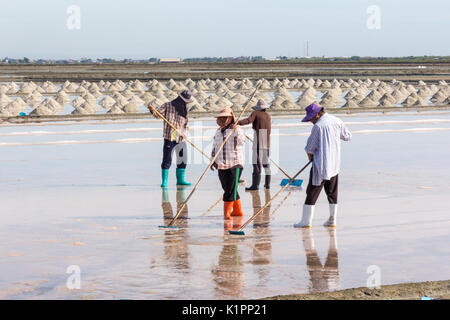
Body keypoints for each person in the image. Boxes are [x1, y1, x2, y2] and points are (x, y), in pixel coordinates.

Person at [294, 103, 352, 228]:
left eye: (311, 118)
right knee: (332, 192)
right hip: (334, 163)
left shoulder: (318, 126)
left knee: (312, 192)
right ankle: (332, 220)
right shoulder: (337, 121)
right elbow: (347, 136)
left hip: (320, 165)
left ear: (317, 114)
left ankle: (306, 222)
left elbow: (310, 148)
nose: (311, 121)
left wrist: (310, 156)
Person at [148, 90, 193, 188]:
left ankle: (180, 180)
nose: (186, 103)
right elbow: (157, 114)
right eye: (185, 101)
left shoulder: (184, 109)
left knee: (183, 159)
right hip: (170, 136)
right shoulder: (167, 105)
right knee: (167, 159)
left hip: (180, 137)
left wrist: (185, 132)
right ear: (180, 99)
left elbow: (185, 124)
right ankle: (164, 182)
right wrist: (152, 110)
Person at [211, 107, 246, 220]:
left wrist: (236, 131)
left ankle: (226, 214)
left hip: (235, 164)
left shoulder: (237, 129)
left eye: (225, 118)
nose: (222, 120)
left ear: (230, 118)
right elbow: (215, 147)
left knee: (230, 189)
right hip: (221, 164)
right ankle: (237, 211)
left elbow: (241, 141)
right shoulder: (218, 132)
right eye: (221, 118)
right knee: (228, 188)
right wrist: (213, 161)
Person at [237, 99, 272, 190]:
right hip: (267, 141)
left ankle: (255, 186)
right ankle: (267, 184)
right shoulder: (268, 116)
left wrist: (237, 122)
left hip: (259, 140)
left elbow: (249, 120)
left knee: (256, 164)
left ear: (258, 108)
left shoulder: (256, 113)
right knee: (265, 163)